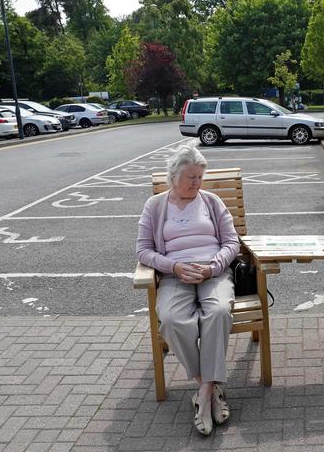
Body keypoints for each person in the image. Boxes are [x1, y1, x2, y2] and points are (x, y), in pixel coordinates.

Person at [136, 142, 239, 436]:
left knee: (218, 311)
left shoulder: (212, 202)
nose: (197, 183)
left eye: (200, 177)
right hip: (174, 275)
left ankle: (205, 394)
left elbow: (232, 242)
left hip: (212, 272)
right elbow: (143, 250)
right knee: (171, 320)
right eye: (191, 177)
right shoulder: (155, 206)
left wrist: (213, 267)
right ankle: (208, 385)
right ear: (173, 176)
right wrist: (174, 267)